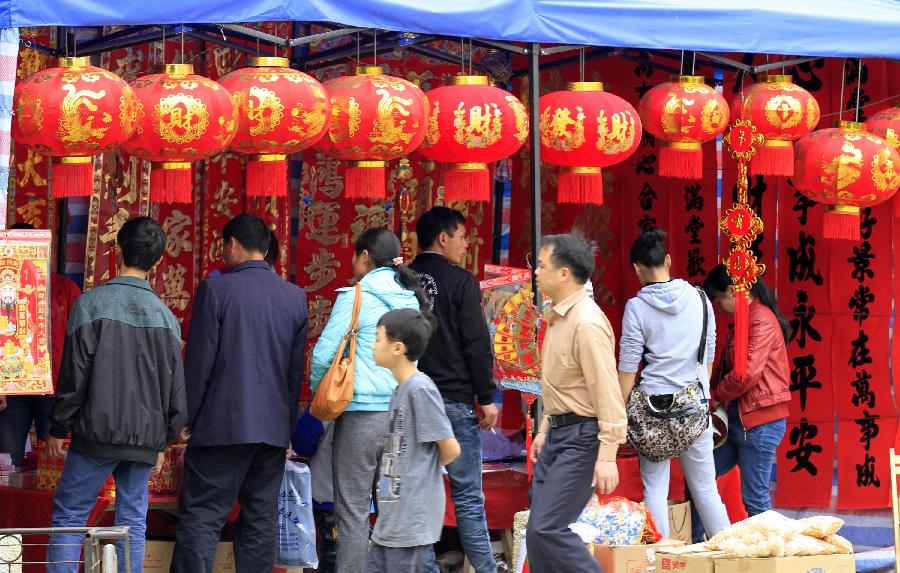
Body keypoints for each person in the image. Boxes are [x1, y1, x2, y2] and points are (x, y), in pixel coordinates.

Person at [46, 216, 187, 573]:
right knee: (133, 521)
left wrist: (59, 427)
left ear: (118, 251)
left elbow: (73, 375)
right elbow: (175, 390)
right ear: (156, 262)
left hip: (96, 434)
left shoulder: (91, 304)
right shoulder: (166, 318)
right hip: (143, 440)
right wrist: (163, 441)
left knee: (70, 515)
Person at [171, 214, 308, 573]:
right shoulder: (294, 297)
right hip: (272, 431)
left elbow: (199, 363)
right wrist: (287, 428)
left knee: (203, 515)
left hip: (221, 426)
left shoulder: (217, 289)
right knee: (260, 520)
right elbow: (296, 373)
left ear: (233, 244)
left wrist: (185, 419)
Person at [310, 227, 426, 573]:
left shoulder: (357, 295)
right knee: (395, 512)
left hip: (361, 416)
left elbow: (322, 355)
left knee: (353, 513)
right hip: (402, 416)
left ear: (364, 257)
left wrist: (323, 402)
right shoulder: (411, 298)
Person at [617, 229, 730, 540]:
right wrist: (696, 397)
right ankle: (730, 554)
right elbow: (707, 360)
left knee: (655, 488)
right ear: (668, 260)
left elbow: (627, 370)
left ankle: (659, 559)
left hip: (652, 410)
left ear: (637, 268)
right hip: (695, 406)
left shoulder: (637, 308)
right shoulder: (702, 300)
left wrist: (615, 415)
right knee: (706, 489)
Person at [526, 233, 626, 573]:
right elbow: (561, 385)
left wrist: (608, 455)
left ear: (564, 273)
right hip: (557, 434)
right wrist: (543, 428)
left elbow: (607, 393)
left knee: (546, 528)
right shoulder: (557, 316)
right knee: (536, 532)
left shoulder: (587, 322)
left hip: (581, 440)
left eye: (541, 266)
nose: (535, 272)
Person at [408, 207, 498, 573]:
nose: (465, 244)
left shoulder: (401, 279)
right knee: (467, 498)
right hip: (455, 400)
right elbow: (476, 342)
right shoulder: (461, 281)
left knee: (416, 493)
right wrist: (487, 396)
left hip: (412, 400)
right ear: (443, 238)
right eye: (461, 236)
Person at [691, 264, 791, 541]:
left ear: (734, 291)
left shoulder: (761, 320)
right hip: (741, 420)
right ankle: (699, 546)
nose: (720, 308)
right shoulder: (748, 320)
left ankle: (771, 562)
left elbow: (744, 374)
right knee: (699, 478)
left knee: (756, 502)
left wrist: (715, 397)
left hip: (758, 421)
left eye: (719, 299)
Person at [366, 308, 460, 573]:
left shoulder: (420, 389)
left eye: (377, 338)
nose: (373, 346)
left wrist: (419, 472)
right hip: (391, 520)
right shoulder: (401, 390)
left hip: (410, 520)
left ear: (397, 348)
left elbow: (450, 448)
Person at [0, 222, 81, 467]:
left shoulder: (64, 288)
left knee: (56, 462)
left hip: (55, 391)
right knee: (7, 460)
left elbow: (80, 342)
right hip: (11, 393)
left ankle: (50, 506)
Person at [292, 406, 337, 573]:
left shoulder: (326, 402)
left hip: (328, 496)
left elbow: (302, 444)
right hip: (364, 499)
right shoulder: (384, 397)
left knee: (330, 551)